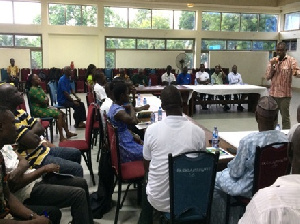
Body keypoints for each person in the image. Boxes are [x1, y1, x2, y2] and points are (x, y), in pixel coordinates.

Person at [211, 96, 288, 224]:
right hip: (274, 187)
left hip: (250, 189)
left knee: (215, 179)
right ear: (276, 118)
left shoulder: (249, 141)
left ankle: (227, 220)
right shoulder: (285, 140)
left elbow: (235, 172)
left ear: (256, 116)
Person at [138, 85, 206, 223]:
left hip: (159, 201)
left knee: (148, 177)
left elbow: (147, 166)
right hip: (190, 200)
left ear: (162, 106)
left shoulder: (151, 130)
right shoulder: (198, 132)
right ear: (182, 103)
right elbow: (201, 164)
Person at [0, 83, 83, 177]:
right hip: (35, 160)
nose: (20, 93)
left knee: (76, 153)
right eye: (16, 92)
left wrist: (29, 134)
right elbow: (33, 141)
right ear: (7, 99)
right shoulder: (8, 121)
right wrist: (33, 134)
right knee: (76, 168)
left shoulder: (21, 112)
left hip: (43, 150)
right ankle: (70, 186)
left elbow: (40, 127)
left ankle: (70, 182)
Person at [2, 145, 94, 224]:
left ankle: (86, 220)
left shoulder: (5, 146)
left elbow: (24, 162)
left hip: (35, 176)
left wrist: (19, 170)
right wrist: (43, 169)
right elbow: (14, 185)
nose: (15, 126)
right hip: (27, 190)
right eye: (11, 123)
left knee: (81, 183)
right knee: (78, 194)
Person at [0, 106, 58, 224]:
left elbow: (8, 196)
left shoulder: (1, 156)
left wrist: (33, 216)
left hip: (8, 211)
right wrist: (32, 222)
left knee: (53, 214)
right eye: (12, 124)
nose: (17, 128)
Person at [27, 74, 77, 142]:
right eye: (36, 79)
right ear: (32, 81)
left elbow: (46, 98)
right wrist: (46, 100)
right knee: (59, 115)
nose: (39, 79)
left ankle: (67, 133)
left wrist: (46, 100)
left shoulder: (38, 87)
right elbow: (44, 101)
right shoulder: (33, 90)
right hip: (38, 110)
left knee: (62, 113)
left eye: (38, 77)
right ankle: (61, 137)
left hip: (44, 107)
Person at [265, 42, 300, 129]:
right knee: (273, 117)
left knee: (285, 118)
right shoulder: (272, 61)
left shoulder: (291, 60)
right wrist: (273, 65)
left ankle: (286, 136)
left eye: (281, 50)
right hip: (273, 94)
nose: (279, 52)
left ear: (286, 50)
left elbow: (296, 71)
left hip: (284, 95)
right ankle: (274, 135)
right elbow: (267, 77)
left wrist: (296, 73)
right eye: (278, 50)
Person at [107, 82, 143, 163]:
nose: (128, 96)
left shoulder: (114, 107)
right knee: (151, 152)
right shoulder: (118, 111)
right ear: (122, 96)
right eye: (127, 94)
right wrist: (131, 107)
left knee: (148, 145)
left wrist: (133, 135)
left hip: (124, 140)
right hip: (125, 146)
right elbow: (133, 121)